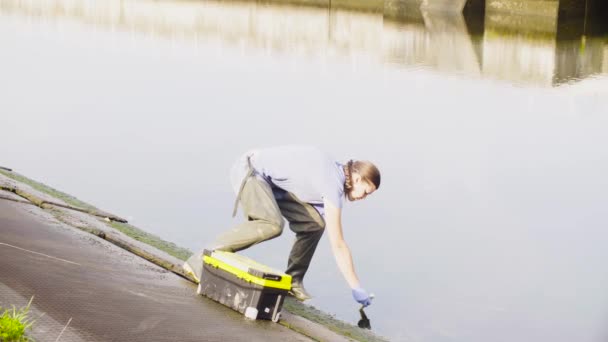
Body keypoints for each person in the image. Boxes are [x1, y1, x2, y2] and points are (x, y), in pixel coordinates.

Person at [184, 145, 380, 307]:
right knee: (272, 224)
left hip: (273, 186)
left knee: (314, 224)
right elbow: (338, 244)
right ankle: (199, 260)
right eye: (366, 192)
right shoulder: (332, 182)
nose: (364, 197)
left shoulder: (337, 172)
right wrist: (355, 286)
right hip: (249, 171)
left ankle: (293, 282)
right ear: (356, 178)